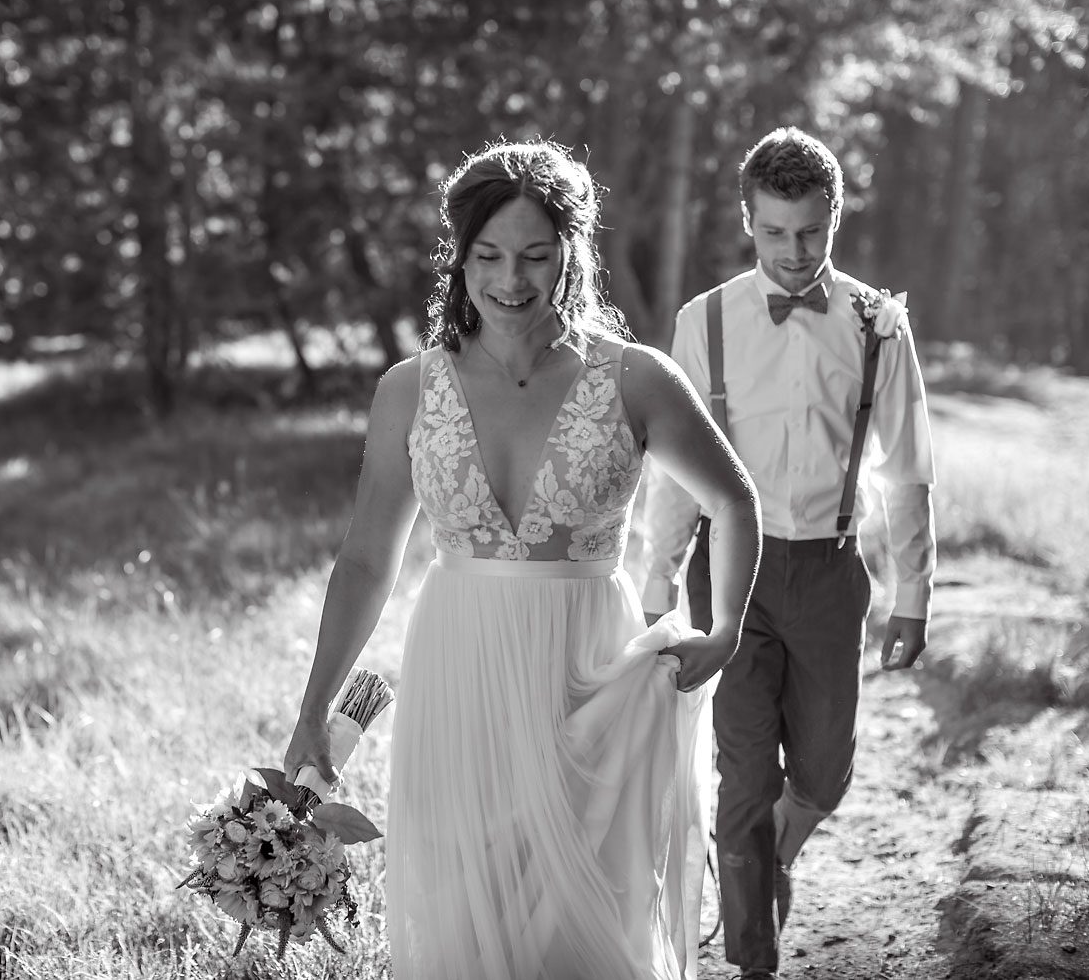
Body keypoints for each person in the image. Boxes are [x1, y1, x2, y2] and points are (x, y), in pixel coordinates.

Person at [282, 139, 763, 980]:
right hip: (458, 674)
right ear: (458, 258)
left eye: (537, 256)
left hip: (588, 681)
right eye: (489, 255)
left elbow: (735, 500)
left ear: (572, 253)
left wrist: (724, 631)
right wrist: (315, 705)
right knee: (469, 897)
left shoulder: (635, 378)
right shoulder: (409, 388)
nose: (512, 279)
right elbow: (365, 558)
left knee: (585, 914)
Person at [640, 126, 937, 980]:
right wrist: (657, 579)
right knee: (740, 774)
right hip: (729, 570)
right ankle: (751, 958)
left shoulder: (878, 325)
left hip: (829, 570)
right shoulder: (705, 322)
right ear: (747, 220)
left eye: (810, 231)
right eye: (773, 231)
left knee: (823, 769)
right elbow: (672, 471)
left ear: (834, 219)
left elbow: (908, 470)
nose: (793, 251)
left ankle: (774, 850)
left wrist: (913, 594)